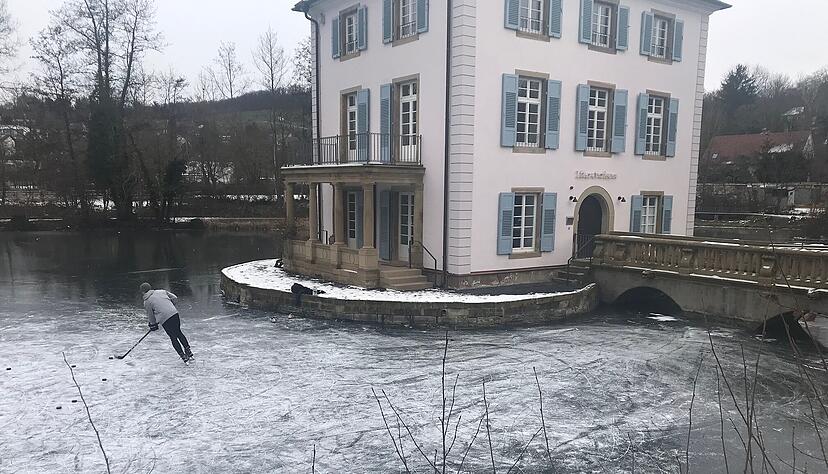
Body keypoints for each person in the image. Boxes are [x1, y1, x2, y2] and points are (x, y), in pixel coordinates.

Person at [141, 283, 193, 363]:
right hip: (174, 313)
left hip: (165, 319)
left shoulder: (147, 301)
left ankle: (182, 355)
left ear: (142, 292)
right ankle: (188, 350)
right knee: (178, 332)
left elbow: (151, 315)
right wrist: (169, 306)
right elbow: (174, 298)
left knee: (173, 337)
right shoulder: (162, 291)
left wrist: (153, 324)